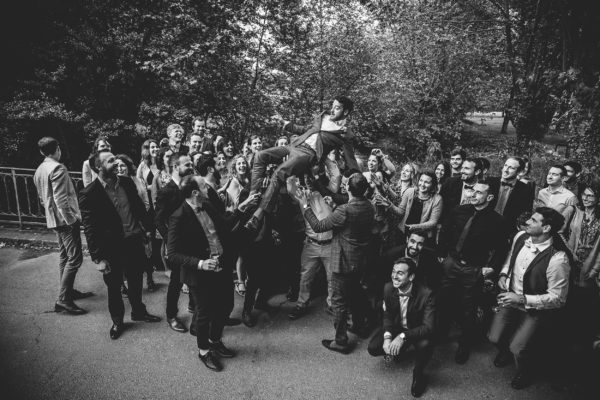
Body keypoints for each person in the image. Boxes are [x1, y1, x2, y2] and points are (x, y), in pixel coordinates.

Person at [167, 176, 251, 371]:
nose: (209, 188)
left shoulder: (208, 205)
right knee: (204, 313)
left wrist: (241, 208)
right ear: (196, 192)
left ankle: (215, 340)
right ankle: (204, 351)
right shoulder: (178, 216)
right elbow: (172, 254)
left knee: (226, 305)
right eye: (205, 186)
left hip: (221, 266)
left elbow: (225, 224)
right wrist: (200, 263)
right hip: (200, 272)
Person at [245, 96, 361, 233]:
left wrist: (358, 178)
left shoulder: (346, 133)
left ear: (346, 112)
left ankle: (258, 214)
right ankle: (252, 196)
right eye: (333, 106)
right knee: (260, 155)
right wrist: (287, 125)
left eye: (337, 108)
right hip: (295, 145)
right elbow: (307, 130)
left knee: (279, 172)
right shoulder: (323, 117)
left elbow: (350, 159)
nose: (332, 109)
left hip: (307, 154)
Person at [79, 152, 161, 340]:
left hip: (133, 241)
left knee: (135, 280)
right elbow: (90, 229)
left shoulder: (126, 182)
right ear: (99, 167)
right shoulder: (89, 193)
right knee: (114, 287)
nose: (116, 162)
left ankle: (139, 311)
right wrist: (98, 258)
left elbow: (138, 208)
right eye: (110, 161)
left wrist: (147, 230)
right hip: (111, 248)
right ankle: (117, 321)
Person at [489, 208, 570, 389]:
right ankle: (505, 351)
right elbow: (511, 256)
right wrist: (503, 274)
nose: (527, 222)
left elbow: (558, 298)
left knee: (518, 348)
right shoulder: (520, 236)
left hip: (534, 309)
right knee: (494, 337)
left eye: (533, 220)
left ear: (546, 227)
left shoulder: (558, 259)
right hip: (509, 299)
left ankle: (525, 372)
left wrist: (522, 299)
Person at [296, 173, 374, 353]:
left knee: (339, 302)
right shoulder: (368, 206)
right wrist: (334, 206)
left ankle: (341, 341)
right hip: (359, 261)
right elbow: (349, 222)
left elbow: (318, 226)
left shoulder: (344, 210)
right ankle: (359, 326)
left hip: (343, 262)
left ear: (348, 188)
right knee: (355, 294)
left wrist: (305, 205)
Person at [437, 179, 508, 364]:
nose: (473, 194)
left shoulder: (496, 221)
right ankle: (441, 334)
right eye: (472, 191)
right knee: (444, 299)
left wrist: (490, 268)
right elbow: (444, 231)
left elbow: (501, 249)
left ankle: (464, 344)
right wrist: (442, 255)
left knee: (468, 309)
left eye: (479, 192)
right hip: (451, 263)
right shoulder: (459, 211)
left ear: (489, 197)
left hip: (473, 268)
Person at [33, 137, 91, 315]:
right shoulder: (58, 168)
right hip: (65, 221)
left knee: (65, 256)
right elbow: (60, 199)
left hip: (53, 220)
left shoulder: (40, 169)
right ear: (57, 149)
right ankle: (63, 300)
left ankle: (67, 291)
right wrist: (71, 220)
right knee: (75, 258)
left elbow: (43, 199)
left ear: (42, 152)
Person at [367, 258, 435, 398]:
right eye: (393, 272)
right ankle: (399, 350)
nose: (394, 276)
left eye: (400, 273)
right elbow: (387, 316)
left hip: (416, 330)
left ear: (411, 277)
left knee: (426, 344)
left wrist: (403, 337)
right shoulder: (388, 287)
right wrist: (387, 337)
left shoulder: (427, 294)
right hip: (397, 327)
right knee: (373, 348)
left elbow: (428, 327)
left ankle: (419, 374)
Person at [288, 160, 341, 320]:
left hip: (330, 244)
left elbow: (336, 174)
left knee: (332, 278)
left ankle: (332, 305)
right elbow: (290, 186)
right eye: (307, 179)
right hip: (310, 244)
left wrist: (325, 156)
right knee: (305, 276)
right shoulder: (303, 196)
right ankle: (301, 303)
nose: (309, 181)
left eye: (312, 178)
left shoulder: (330, 193)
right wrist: (294, 162)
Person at [561, 179, 600, 388]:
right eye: (584, 194)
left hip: (591, 268)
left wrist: (594, 270)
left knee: (584, 311)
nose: (586, 198)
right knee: (569, 305)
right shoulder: (575, 211)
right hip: (572, 262)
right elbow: (562, 231)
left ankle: (579, 363)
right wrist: (568, 251)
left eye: (591, 195)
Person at [154, 153, 194, 333]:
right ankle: (171, 315)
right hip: (177, 244)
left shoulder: (191, 185)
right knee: (176, 282)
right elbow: (158, 219)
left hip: (193, 240)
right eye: (187, 164)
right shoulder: (166, 190)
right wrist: (170, 240)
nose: (191, 166)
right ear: (176, 167)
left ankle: (194, 307)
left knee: (195, 277)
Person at [116, 154, 155, 292]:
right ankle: (124, 283)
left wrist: (146, 224)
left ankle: (150, 277)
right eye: (117, 166)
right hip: (124, 225)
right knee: (124, 256)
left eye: (122, 165)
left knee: (146, 252)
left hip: (139, 221)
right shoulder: (114, 183)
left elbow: (145, 202)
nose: (119, 168)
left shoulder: (137, 181)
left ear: (128, 167)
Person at [385, 171, 442, 241]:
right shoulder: (410, 192)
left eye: (427, 182)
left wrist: (415, 227)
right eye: (421, 180)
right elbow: (400, 212)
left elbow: (433, 222)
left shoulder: (437, 199)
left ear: (432, 185)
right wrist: (390, 205)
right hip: (403, 232)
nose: (422, 184)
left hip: (422, 236)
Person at [491, 157, 535, 234]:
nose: (505, 170)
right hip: (484, 225)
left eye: (511, 168)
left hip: (507, 231)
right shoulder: (490, 182)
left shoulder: (526, 190)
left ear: (520, 171)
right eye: (505, 165)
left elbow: (525, 214)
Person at [136, 139, 160, 204]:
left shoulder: (162, 163)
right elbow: (138, 183)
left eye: (157, 147)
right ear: (147, 150)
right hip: (150, 199)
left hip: (163, 196)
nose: (156, 149)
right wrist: (147, 187)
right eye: (152, 147)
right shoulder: (142, 165)